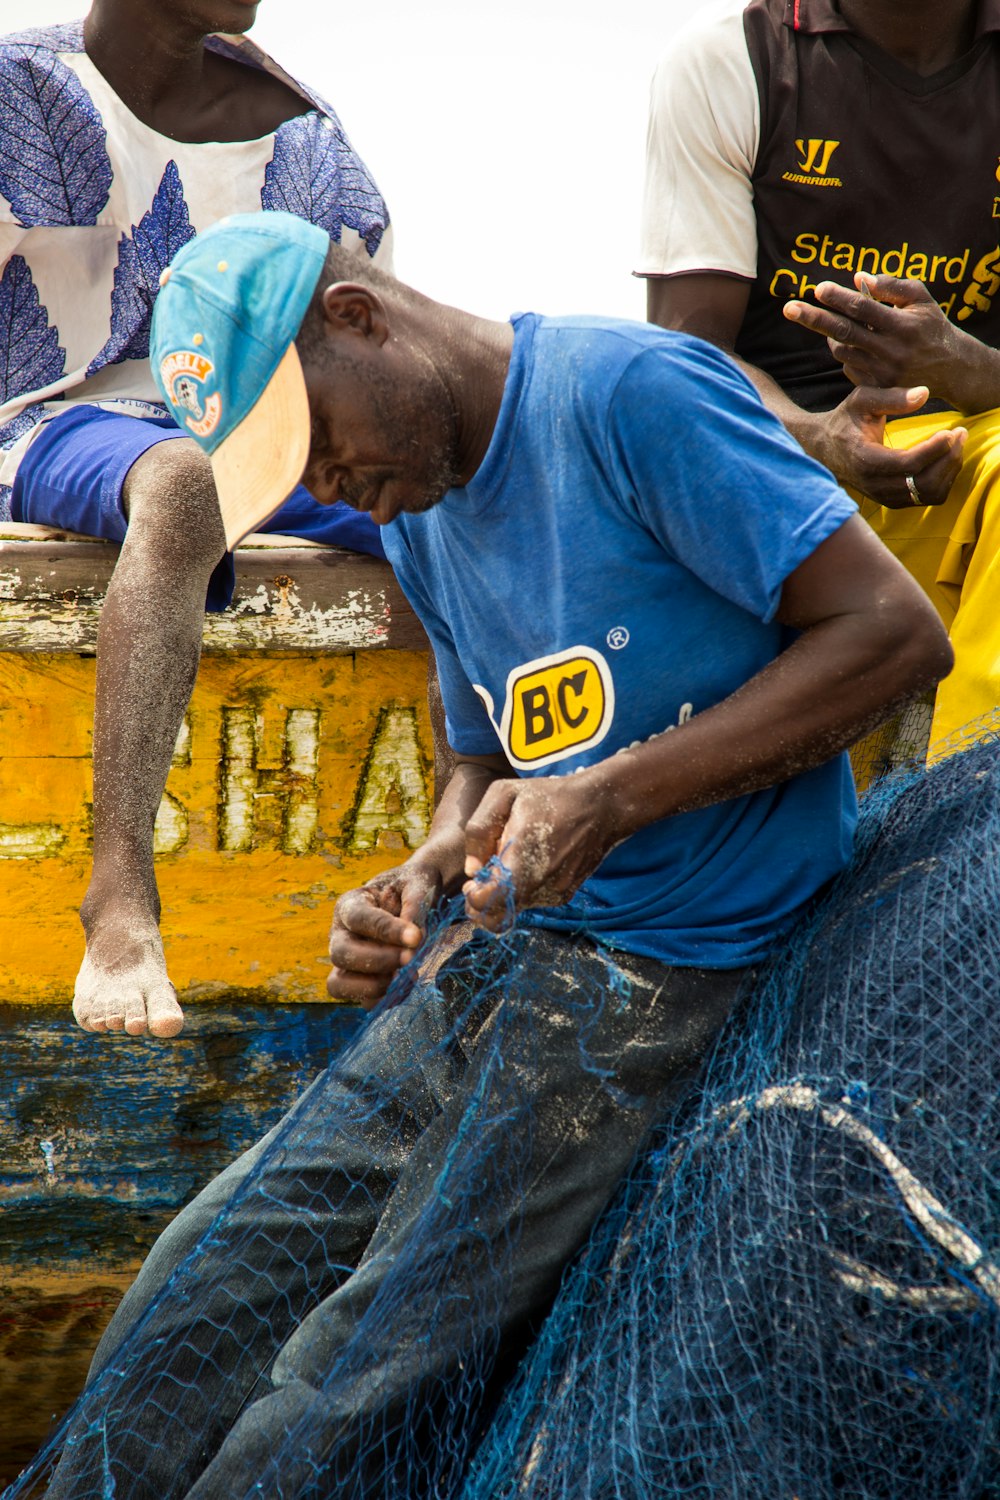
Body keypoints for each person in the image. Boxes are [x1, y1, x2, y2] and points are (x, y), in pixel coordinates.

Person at [34, 209, 951, 1498]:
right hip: (514, 957)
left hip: (682, 970)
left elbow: (893, 637)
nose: (332, 491)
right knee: (204, 1279)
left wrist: (613, 802)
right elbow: (489, 757)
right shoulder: (417, 506)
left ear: (360, 321)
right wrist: (424, 869)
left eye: (321, 448)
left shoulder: (628, 395)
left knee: (345, 1376)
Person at [0, 0, 391, 1039]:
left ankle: (489, 848)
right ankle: (120, 900)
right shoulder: (21, 89)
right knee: (179, 481)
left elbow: (363, 330)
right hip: (48, 416)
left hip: (262, 423)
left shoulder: (300, 131)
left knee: (442, 504)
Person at [636, 0, 1000, 764]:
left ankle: (971, 826)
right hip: (781, 466)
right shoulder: (733, 61)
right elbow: (684, 358)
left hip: (976, 451)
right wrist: (820, 438)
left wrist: (970, 367)